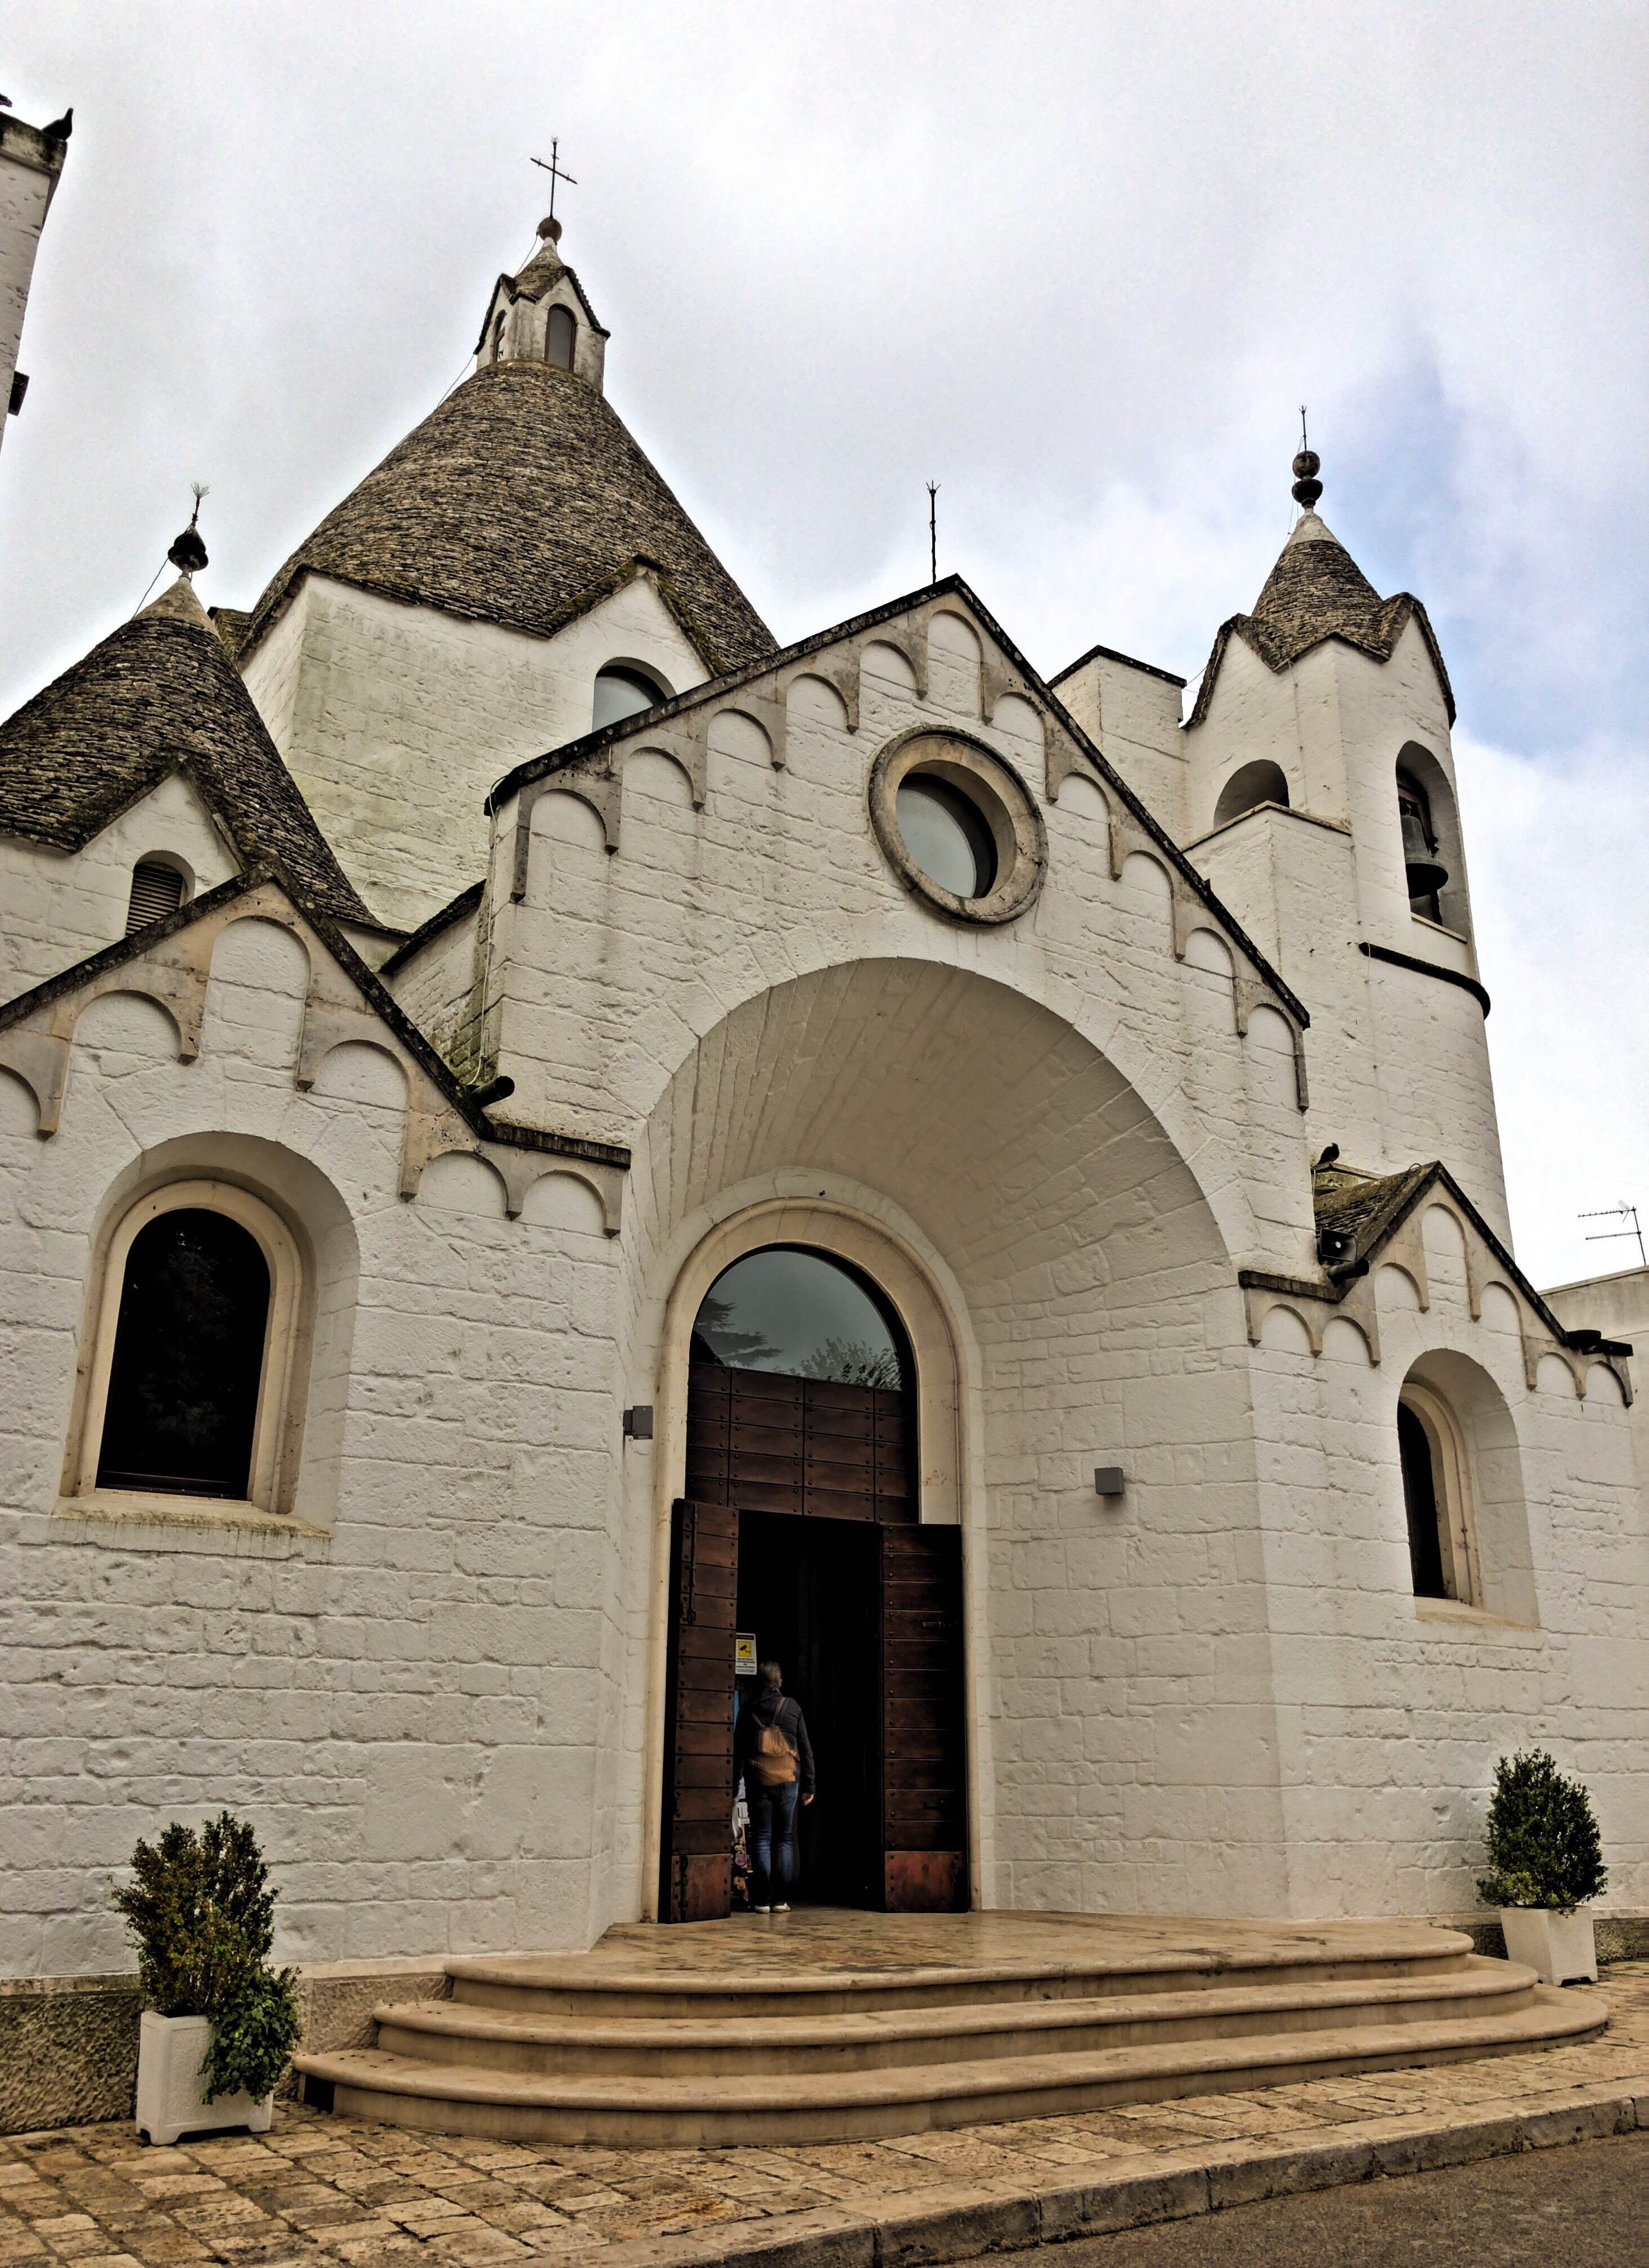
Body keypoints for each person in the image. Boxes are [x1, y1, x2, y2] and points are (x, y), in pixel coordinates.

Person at [733, 1659, 815, 1912]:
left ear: (760, 1682)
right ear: (779, 1682)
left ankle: (761, 1901)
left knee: (761, 1839)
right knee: (785, 1840)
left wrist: (735, 1785)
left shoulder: (748, 1709)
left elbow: (738, 1750)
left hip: (758, 1781)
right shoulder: (792, 1708)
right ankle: (780, 1900)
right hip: (789, 1781)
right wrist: (809, 1784)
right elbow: (805, 1748)